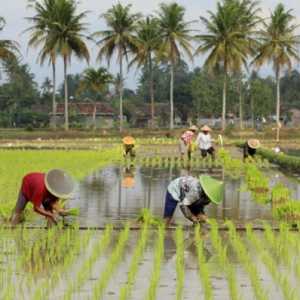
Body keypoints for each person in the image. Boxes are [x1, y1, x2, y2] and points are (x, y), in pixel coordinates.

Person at [10, 169, 75, 226]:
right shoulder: (40, 189)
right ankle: (12, 226)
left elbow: (54, 203)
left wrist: (59, 210)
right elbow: (36, 208)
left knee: (50, 212)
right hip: (27, 183)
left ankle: (50, 232)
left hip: (44, 190)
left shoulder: (57, 189)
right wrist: (51, 215)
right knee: (18, 210)